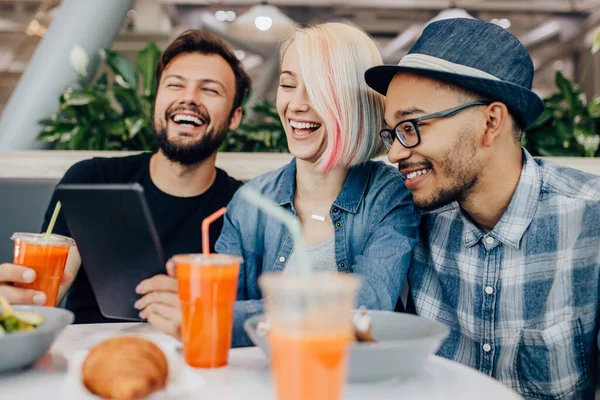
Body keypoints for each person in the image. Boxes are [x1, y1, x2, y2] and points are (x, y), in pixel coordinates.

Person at [365, 18, 600, 399]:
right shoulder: (406, 210)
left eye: (411, 126)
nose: (394, 153)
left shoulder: (590, 220)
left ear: (491, 122)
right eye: (393, 132)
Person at [0, 30, 251, 332]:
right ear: (157, 101)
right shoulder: (92, 180)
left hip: (196, 360)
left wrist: (201, 309)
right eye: (175, 85)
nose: (188, 98)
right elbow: (44, 297)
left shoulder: (245, 207)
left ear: (234, 117)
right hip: (87, 360)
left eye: (210, 90)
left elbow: (249, 313)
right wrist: (19, 302)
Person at [211, 22, 419, 347]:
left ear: (356, 101)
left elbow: (367, 308)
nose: (296, 104)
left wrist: (233, 318)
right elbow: (217, 316)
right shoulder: (251, 201)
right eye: (288, 85)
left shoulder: (390, 197)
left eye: (319, 88)